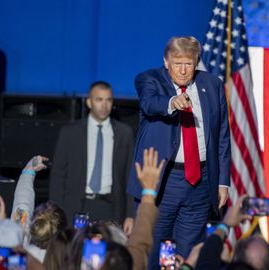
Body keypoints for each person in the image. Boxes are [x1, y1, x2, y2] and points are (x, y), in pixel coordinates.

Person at [126, 36, 230, 268]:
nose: (183, 70)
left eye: (189, 64)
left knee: (189, 251)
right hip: (164, 180)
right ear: (166, 61)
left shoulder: (212, 84)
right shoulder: (149, 79)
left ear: (196, 63)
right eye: (177, 63)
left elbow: (222, 134)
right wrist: (173, 102)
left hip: (200, 182)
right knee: (154, 248)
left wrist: (223, 181)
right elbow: (149, 103)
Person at [50, 81, 135, 233]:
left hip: (111, 207)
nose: (104, 105)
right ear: (89, 102)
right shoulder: (70, 132)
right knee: (73, 253)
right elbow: (58, 176)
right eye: (99, 100)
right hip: (76, 206)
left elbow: (129, 177)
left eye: (108, 100)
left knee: (109, 255)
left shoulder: (124, 134)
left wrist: (130, 214)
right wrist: (56, 212)